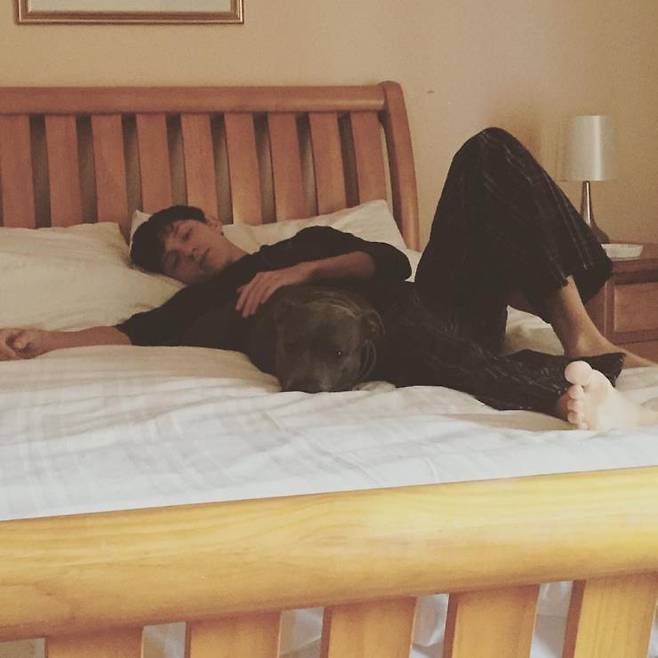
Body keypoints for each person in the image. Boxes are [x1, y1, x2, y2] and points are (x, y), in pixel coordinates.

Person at [1, 128, 656, 432]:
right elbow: (130, 333)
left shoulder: (306, 245)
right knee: (376, 322)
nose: (186, 254)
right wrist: (45, 339)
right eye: (172, 258)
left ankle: (581, 338)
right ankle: (566, 394)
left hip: (433, 304)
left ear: (208, 221)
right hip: (364, 340)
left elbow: (392, 263)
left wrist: (299, 269)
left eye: (185, 235)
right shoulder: (202, 303)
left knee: (488, 151)